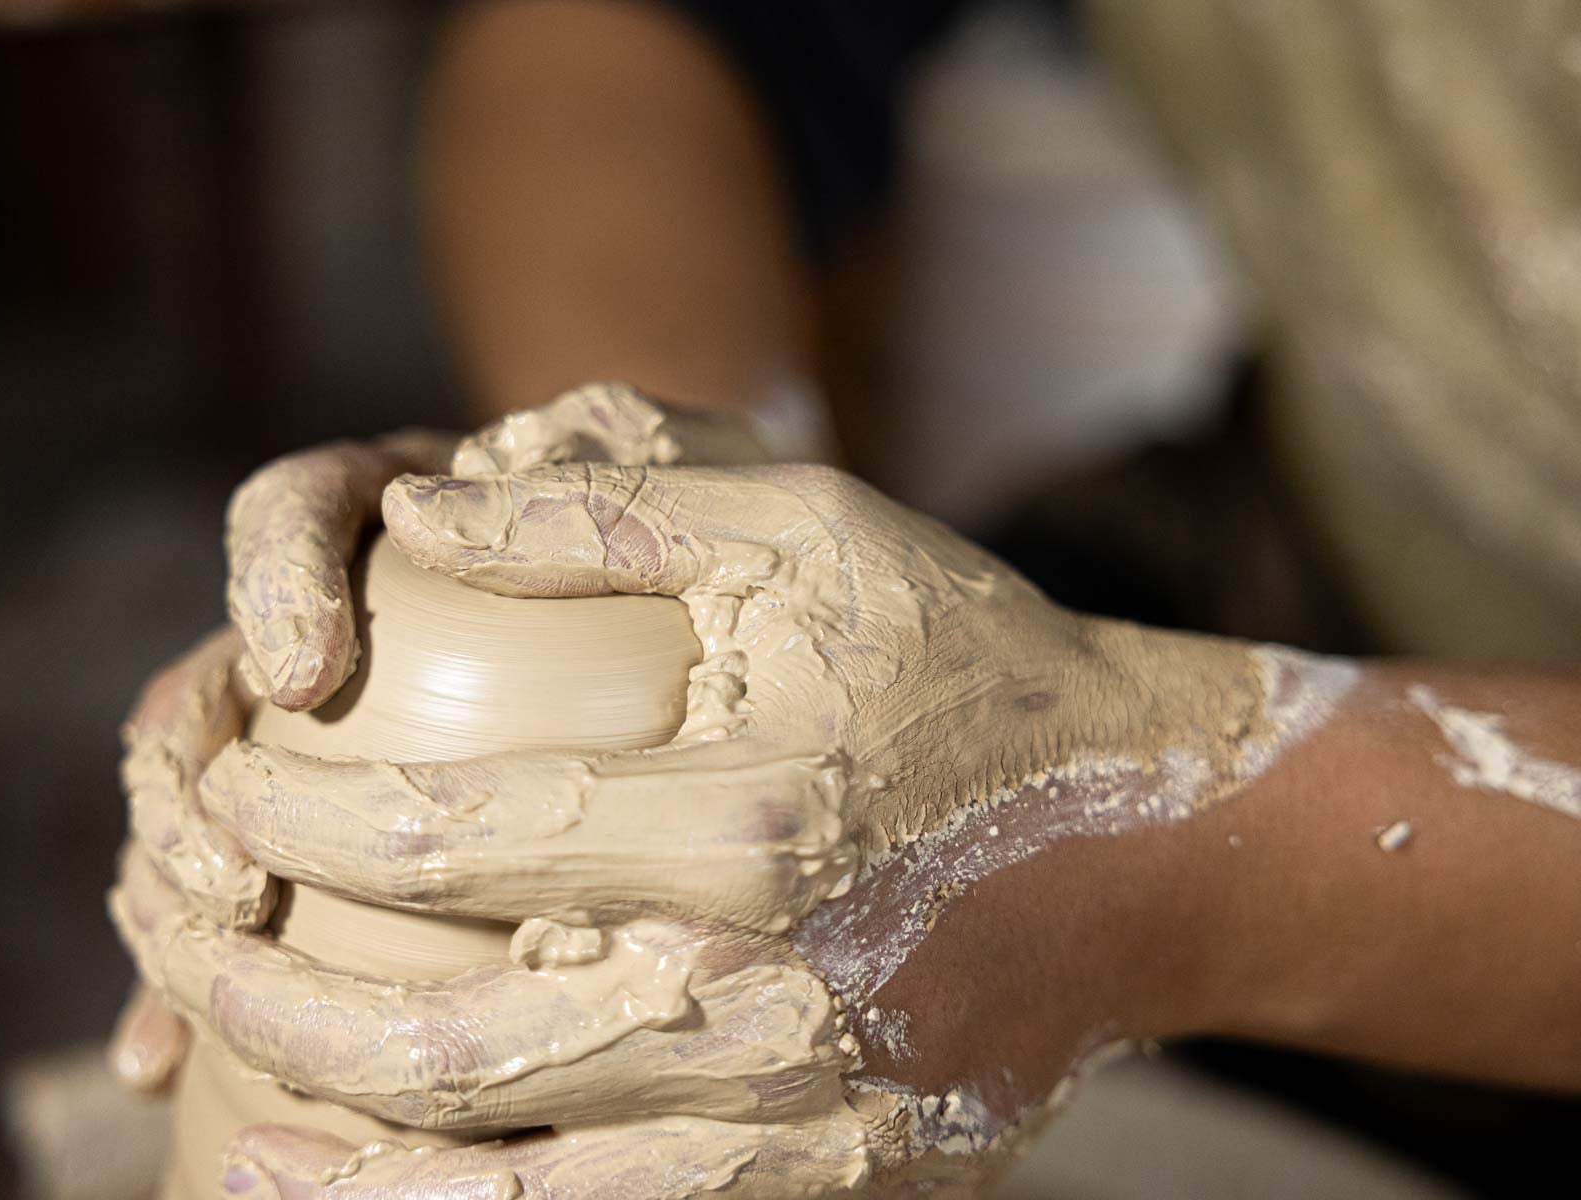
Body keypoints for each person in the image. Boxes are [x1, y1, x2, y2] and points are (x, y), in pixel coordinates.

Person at [107, 2, 1581, 1194]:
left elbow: (1135, 829)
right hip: (1348, 525)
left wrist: (1165, 844)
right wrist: (656, 498)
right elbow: (648, 32)